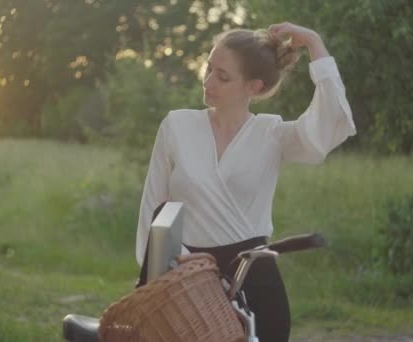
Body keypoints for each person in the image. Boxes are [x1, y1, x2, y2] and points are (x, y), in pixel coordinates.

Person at [135, 22, 356, 342]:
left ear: (254, 87)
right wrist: (172, 263)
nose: (208, 81)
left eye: (222, 76)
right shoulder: (177, 126)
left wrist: (315, 45)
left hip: (254, 277)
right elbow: (153, 207)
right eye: (208, 69)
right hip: (186, 275)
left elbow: (330, 124)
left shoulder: (273, 134)